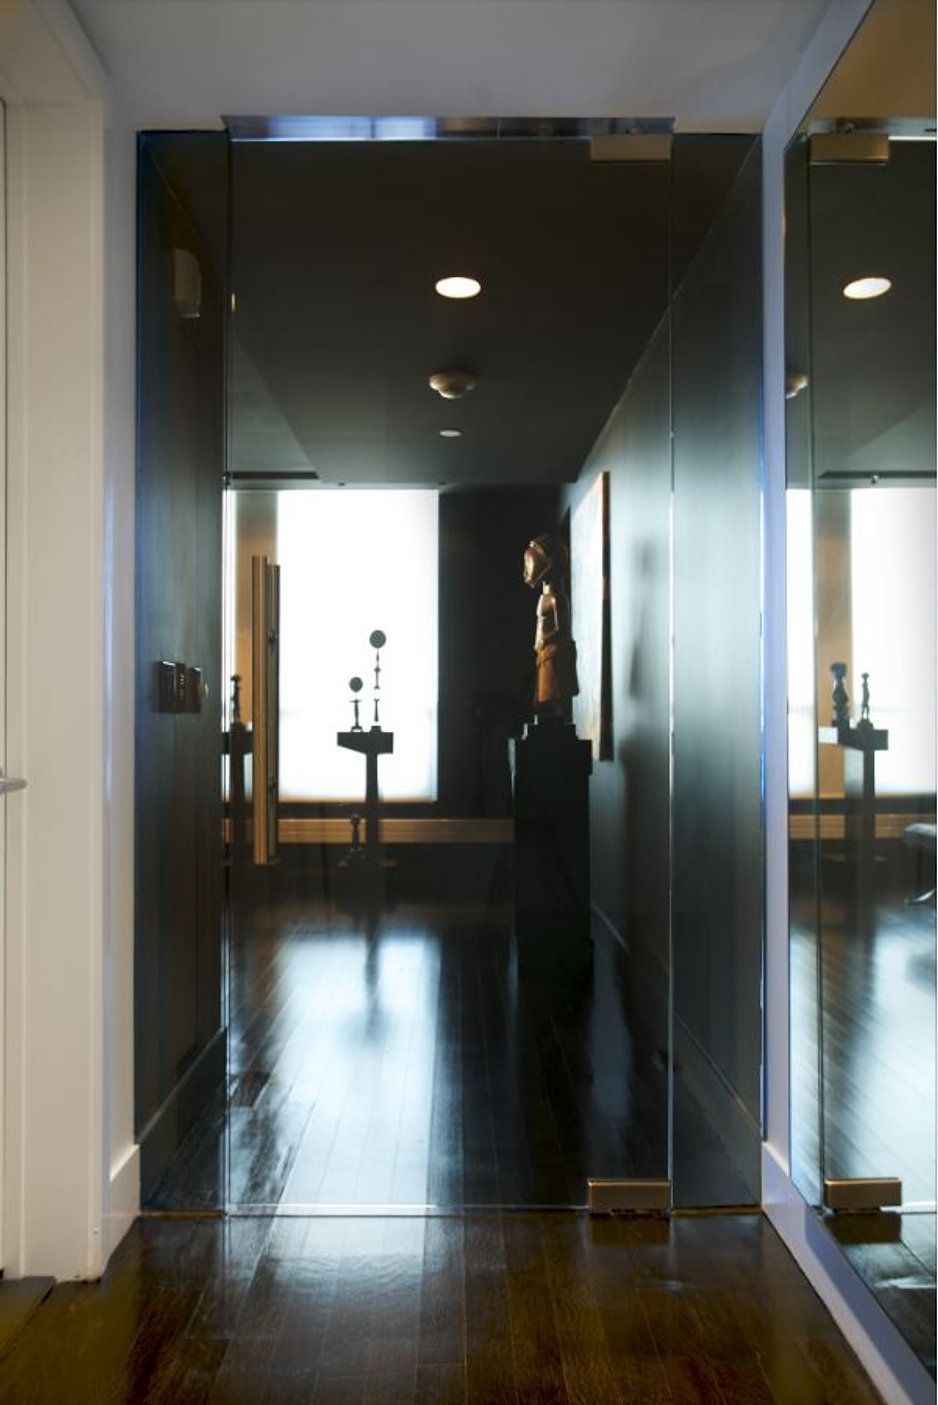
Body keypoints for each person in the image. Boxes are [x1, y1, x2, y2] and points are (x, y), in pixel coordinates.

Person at [523, 534, 579, 721]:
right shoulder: (544, 597)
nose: (526, 573)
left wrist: (544, 640)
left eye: (530, 566)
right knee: (543, 697)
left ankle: (557, 714)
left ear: (550, 565)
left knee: (554, 693)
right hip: (544, 652)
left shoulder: (557, 599)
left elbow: (562, 630)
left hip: (553, 653)